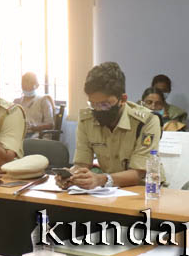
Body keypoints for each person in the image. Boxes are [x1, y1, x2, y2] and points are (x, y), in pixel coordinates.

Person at [63, 62, 161, 190]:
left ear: (123, 99)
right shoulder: (87, 120)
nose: (98, 110)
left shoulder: (147, 121)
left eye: (105, 104)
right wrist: (71, 176)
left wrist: (101, 179)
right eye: (93, 104)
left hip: (145, 190)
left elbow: (138, 173)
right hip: (109, 191)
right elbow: (82, 164)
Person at [14, 72, 55, 137]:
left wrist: (34, 127)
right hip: (20, 134)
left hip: (36, 135)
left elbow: (50, 124)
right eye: (23, 83)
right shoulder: (17, 102)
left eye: (29, 83)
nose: (26, 86)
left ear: (36, 85)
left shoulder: (43, 100)